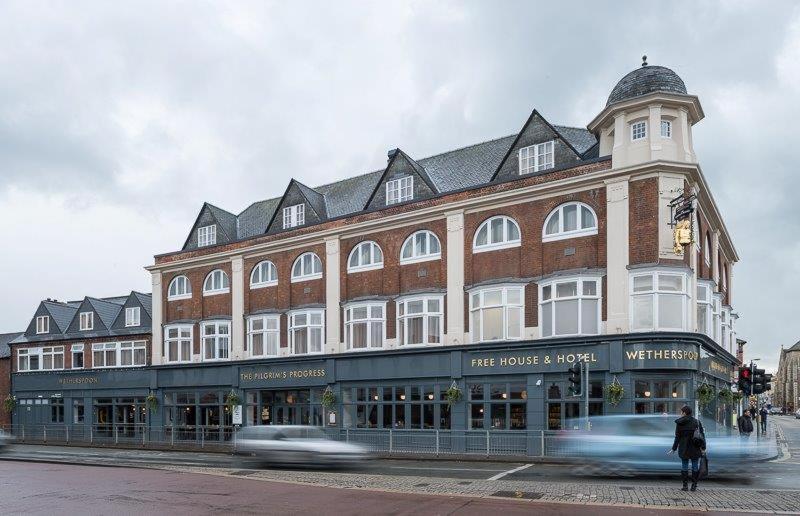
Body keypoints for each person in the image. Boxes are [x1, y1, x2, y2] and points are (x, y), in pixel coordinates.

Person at [668, 405, 706, 492]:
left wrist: (674, 448)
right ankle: (694, 486)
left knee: (684, 466)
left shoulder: (680, 423)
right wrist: (703, 447)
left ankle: (685, 486)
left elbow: (677, 437)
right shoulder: (697, 422)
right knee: (695, 466)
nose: (680, 414)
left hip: (684, 447)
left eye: (681, 412)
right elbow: (702, 436)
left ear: (684, 413)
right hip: (695, 447)